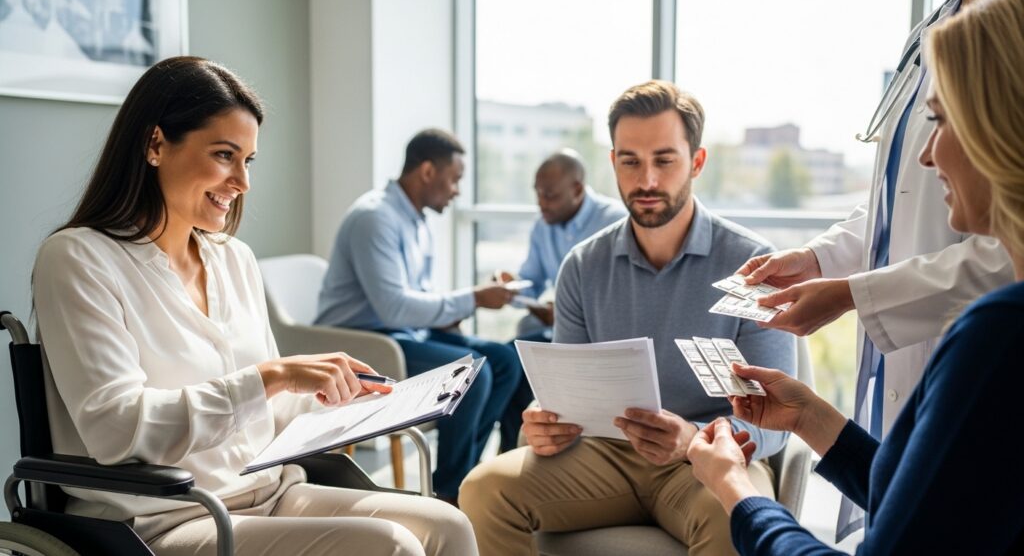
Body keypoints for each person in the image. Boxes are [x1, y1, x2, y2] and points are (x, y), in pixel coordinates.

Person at [31, 56, 476, 556]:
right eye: (225, 155)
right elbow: (117, 429)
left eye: (248, 161)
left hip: (269, 492)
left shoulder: (233, 259)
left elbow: (268, 411)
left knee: (448, 525)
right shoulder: (78, 258)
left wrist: (347, 400)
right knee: (390, 546)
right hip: (163, 518)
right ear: (155, 144)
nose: (242, 181)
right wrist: (271, 377)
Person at [688, 0, 1024, 552]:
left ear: (1002, 134)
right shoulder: (941, 25)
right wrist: (809, 417)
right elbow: (927, 510)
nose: (927, 156)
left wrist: (735, 489)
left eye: (940, 121)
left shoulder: (996, 339)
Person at [460, 80, 796, 556]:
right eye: (631, 161)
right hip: (603, 454)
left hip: (707, 459)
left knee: (736, 518)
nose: (647, 181)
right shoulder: (582, 265)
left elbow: (776, 421)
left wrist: (693, 439)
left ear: (697, 162)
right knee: (482, 490)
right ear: (613, 161)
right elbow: (566, 393)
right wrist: (543, 420)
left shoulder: (752, 265)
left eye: (665, 160)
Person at [315, 128, 522, 503]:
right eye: (454, 179)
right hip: (366, 340)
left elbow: (416, 297)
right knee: (473, 373)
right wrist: (473, 298)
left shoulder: (417, 221)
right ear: (427, 171)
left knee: (505, 360)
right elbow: (393, 307)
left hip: (404, 333)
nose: (457, 191)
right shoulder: (374, 218)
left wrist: (451, 313)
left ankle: (467, 479)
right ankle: (447, 494)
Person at [494, 148, 626, 452]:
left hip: (596, 336)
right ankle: (513, 451)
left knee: (511, 361)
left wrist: (568, 310)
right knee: (511, 362)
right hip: (555, 331)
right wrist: (511, 287)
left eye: (550, 195)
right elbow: (531, 282)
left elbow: (622, 297)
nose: (541, 203)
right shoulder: (543, 225)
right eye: (538, 193)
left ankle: (523, 448)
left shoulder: (615, 222)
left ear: (577, 190)